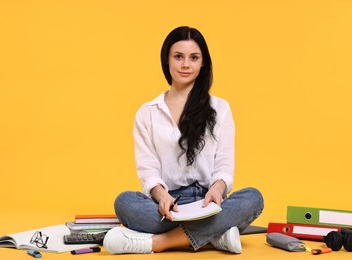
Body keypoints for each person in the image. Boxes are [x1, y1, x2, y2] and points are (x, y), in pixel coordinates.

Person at [103, 26, 264, 254]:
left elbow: (224, 167)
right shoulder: (147, 112)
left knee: (253, 199)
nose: (186, 64)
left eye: (194, 58)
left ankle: (159, 242)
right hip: (170, 203)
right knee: (125, 203)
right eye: (178, 57)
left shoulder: (219, 108)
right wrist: (162, 197)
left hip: (210, 201)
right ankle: (214, 236)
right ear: (167, 60)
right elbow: (148, 170)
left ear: (203, 63)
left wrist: (217, 191)